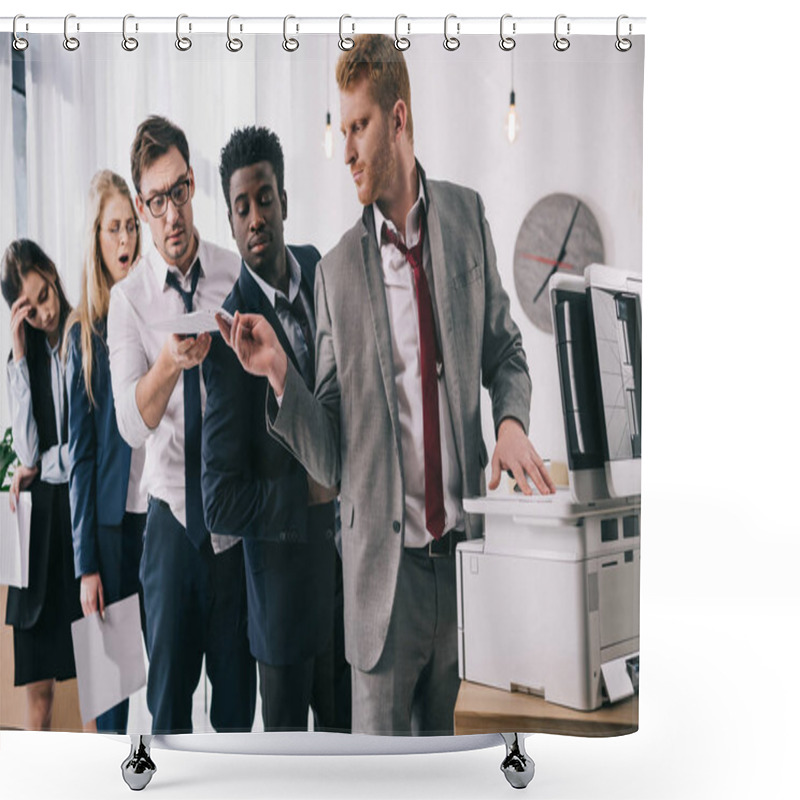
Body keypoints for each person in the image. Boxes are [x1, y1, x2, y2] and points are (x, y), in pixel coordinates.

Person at [220, 34, 556, 736]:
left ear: (398, 118)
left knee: (454, 775)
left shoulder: (467, 220)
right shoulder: (335, 272)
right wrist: (280, 373)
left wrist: (511, 423)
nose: (345, 151)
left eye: (358, 127)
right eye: (341, 130)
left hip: (465, 574)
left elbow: (505, 349)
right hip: (382, 588)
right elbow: (335, 458)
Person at [107, 115, 255, 734]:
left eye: (180, 191)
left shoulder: (236, 273)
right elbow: (129, 425)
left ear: (194, 185)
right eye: (157, 200)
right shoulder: (129, 301)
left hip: (234, 533)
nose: (172, 214)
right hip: (169, 533)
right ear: (142, 207)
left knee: (235, 717)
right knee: (165, 715)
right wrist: (168, 362)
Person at [203, 126, 341, 731]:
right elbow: (218, 502)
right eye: (242, 207)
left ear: (284, 200)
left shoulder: (323, 273)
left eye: (264, 198)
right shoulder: (226, 344)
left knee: (355, 766)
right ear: (232, 224)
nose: (256, 217)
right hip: (283, 616)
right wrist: (305, 495)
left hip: (352, 594)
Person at [65, 169, 147, 734]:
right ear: (96, 238)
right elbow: (80, 462)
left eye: (131, 227)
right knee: (111, 697)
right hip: (112, 536)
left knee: (165, 684)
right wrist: (86, 565)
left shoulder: (151, 312)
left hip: (159, 519)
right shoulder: (81, 335)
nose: (125, 241)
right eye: (113, 229)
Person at [2, 239, 81, 730]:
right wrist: (16, 351)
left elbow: (84, 452)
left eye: (45, 297)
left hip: (77, 522)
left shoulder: (84, 333)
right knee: (39, 691)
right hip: (38, 535)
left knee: (99, 681)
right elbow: (27, 453)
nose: (44, 314)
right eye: (30, 311)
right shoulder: (25, 354)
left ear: (53, 274)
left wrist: (47, 462)